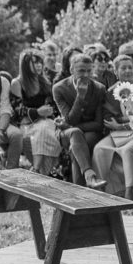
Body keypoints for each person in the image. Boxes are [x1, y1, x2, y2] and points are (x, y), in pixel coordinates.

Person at [52, 53, 108, 189]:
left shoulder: (99, 89)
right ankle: (89, 175)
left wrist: (69, 124)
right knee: (75, 133)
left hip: (91, 132)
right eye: (81, 70)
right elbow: (70, 118)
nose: (86, 75)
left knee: (75, 146)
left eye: (89, 70)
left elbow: (99, 124)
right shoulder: (59, 88)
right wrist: (80, 97)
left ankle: (79, 192)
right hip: (66, 133)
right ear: (72, 70)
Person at [92, 53, 133, 198]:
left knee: (127, 150)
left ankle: (132, 192)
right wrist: (125, 121)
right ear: (116, 72)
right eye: (123, 68)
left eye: (130, 67)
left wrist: (121, 123)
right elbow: (108, 119)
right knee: (99, 149)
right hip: (119, 134)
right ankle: (106, 192)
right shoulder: (110, 92)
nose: (127, 71)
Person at [9, 48, 61, 176]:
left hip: (46, 121)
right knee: (42, 130)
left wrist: (49, 110)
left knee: (48, 129)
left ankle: (40, 170)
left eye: (40, 62)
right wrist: (37, 112)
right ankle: (42, 170)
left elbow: (52, 105)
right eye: (35, 62)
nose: (39, 65)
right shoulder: (18, 83)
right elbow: (16, 110)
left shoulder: (44, 81)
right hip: (27, 123)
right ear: (25, 65)